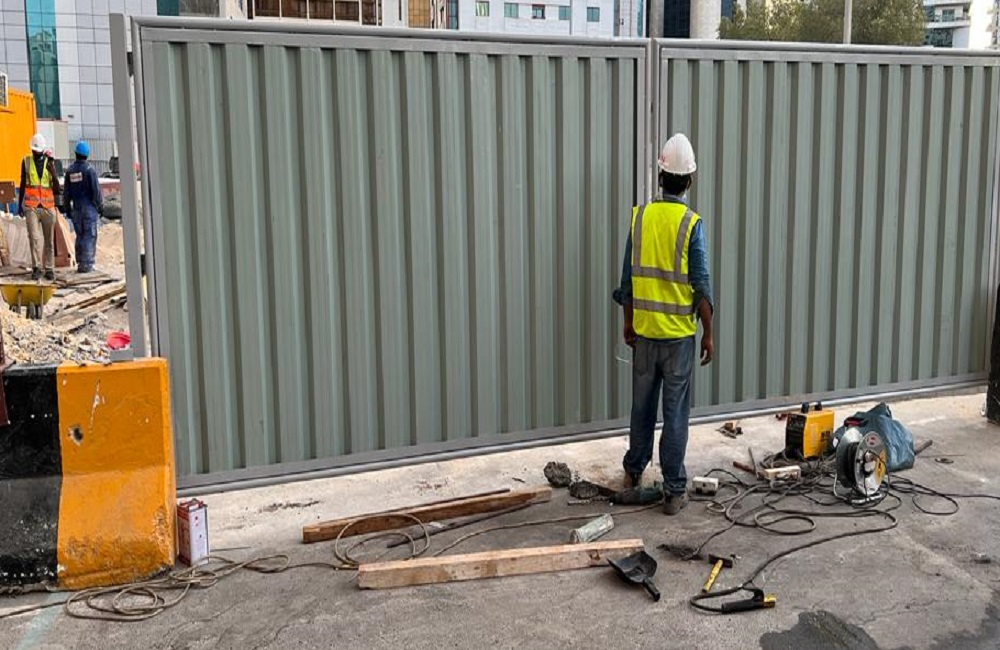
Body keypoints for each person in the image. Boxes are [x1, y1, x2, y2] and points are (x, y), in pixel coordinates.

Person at [612, 133, 715, 516]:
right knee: (675, 415)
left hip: (644, 335)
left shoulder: (640, 218)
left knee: (641, 409)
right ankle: (673, 491)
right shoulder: (691, 224)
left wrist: (628, 322)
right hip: (678, 340)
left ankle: (633, 473)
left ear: (660, 177)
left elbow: (627, 280)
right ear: (689, 180)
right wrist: (709, 334)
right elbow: (701, 284)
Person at [18, 133, 61, 281]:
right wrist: (20, 204)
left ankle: (49, 268)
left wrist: (53, 172)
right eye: (33, 150)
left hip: (48, 207)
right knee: (34, 238)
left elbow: (57, 189)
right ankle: (36, 267)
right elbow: (22, 183)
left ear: (42, 150)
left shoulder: (50, 163)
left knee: (49, 240)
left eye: (37, 150)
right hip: (31, 206)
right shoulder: (26, 162)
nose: (35, 152)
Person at [63, 140, 103, 273]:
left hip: (76, 209)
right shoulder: (89, 170)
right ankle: (87, 264)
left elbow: (66, 193)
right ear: (87, 155)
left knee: (80, 236)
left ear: (75, 154)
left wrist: (67, 209)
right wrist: (100, 206)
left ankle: (80, 262)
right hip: (89, 209)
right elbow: (96, 191)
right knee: (89, 236)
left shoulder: (70, 171)